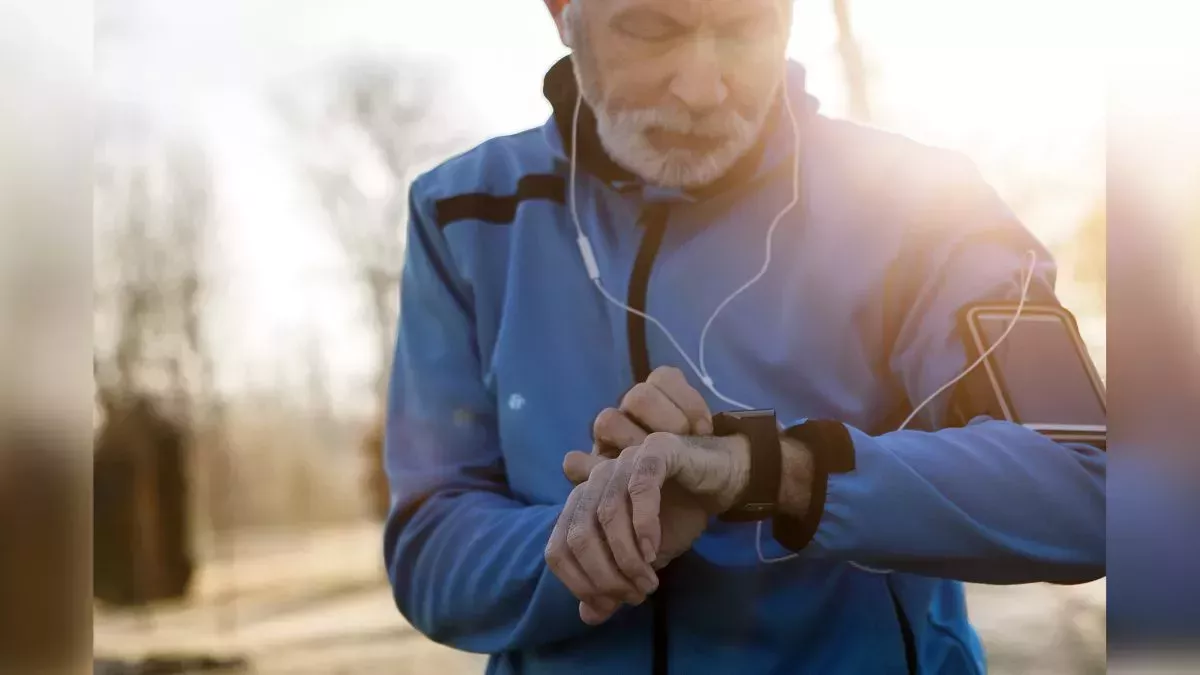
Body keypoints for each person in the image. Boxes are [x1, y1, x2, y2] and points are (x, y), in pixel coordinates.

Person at [382, 0, 1107, 673]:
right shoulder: (463, 213)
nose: (703, 86)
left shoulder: (920, 200)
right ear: (562, 11)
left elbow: (1093, 487)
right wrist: (589, 540)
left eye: (744, 27)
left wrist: (770, 473)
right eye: (652, 28)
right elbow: (430, 547)